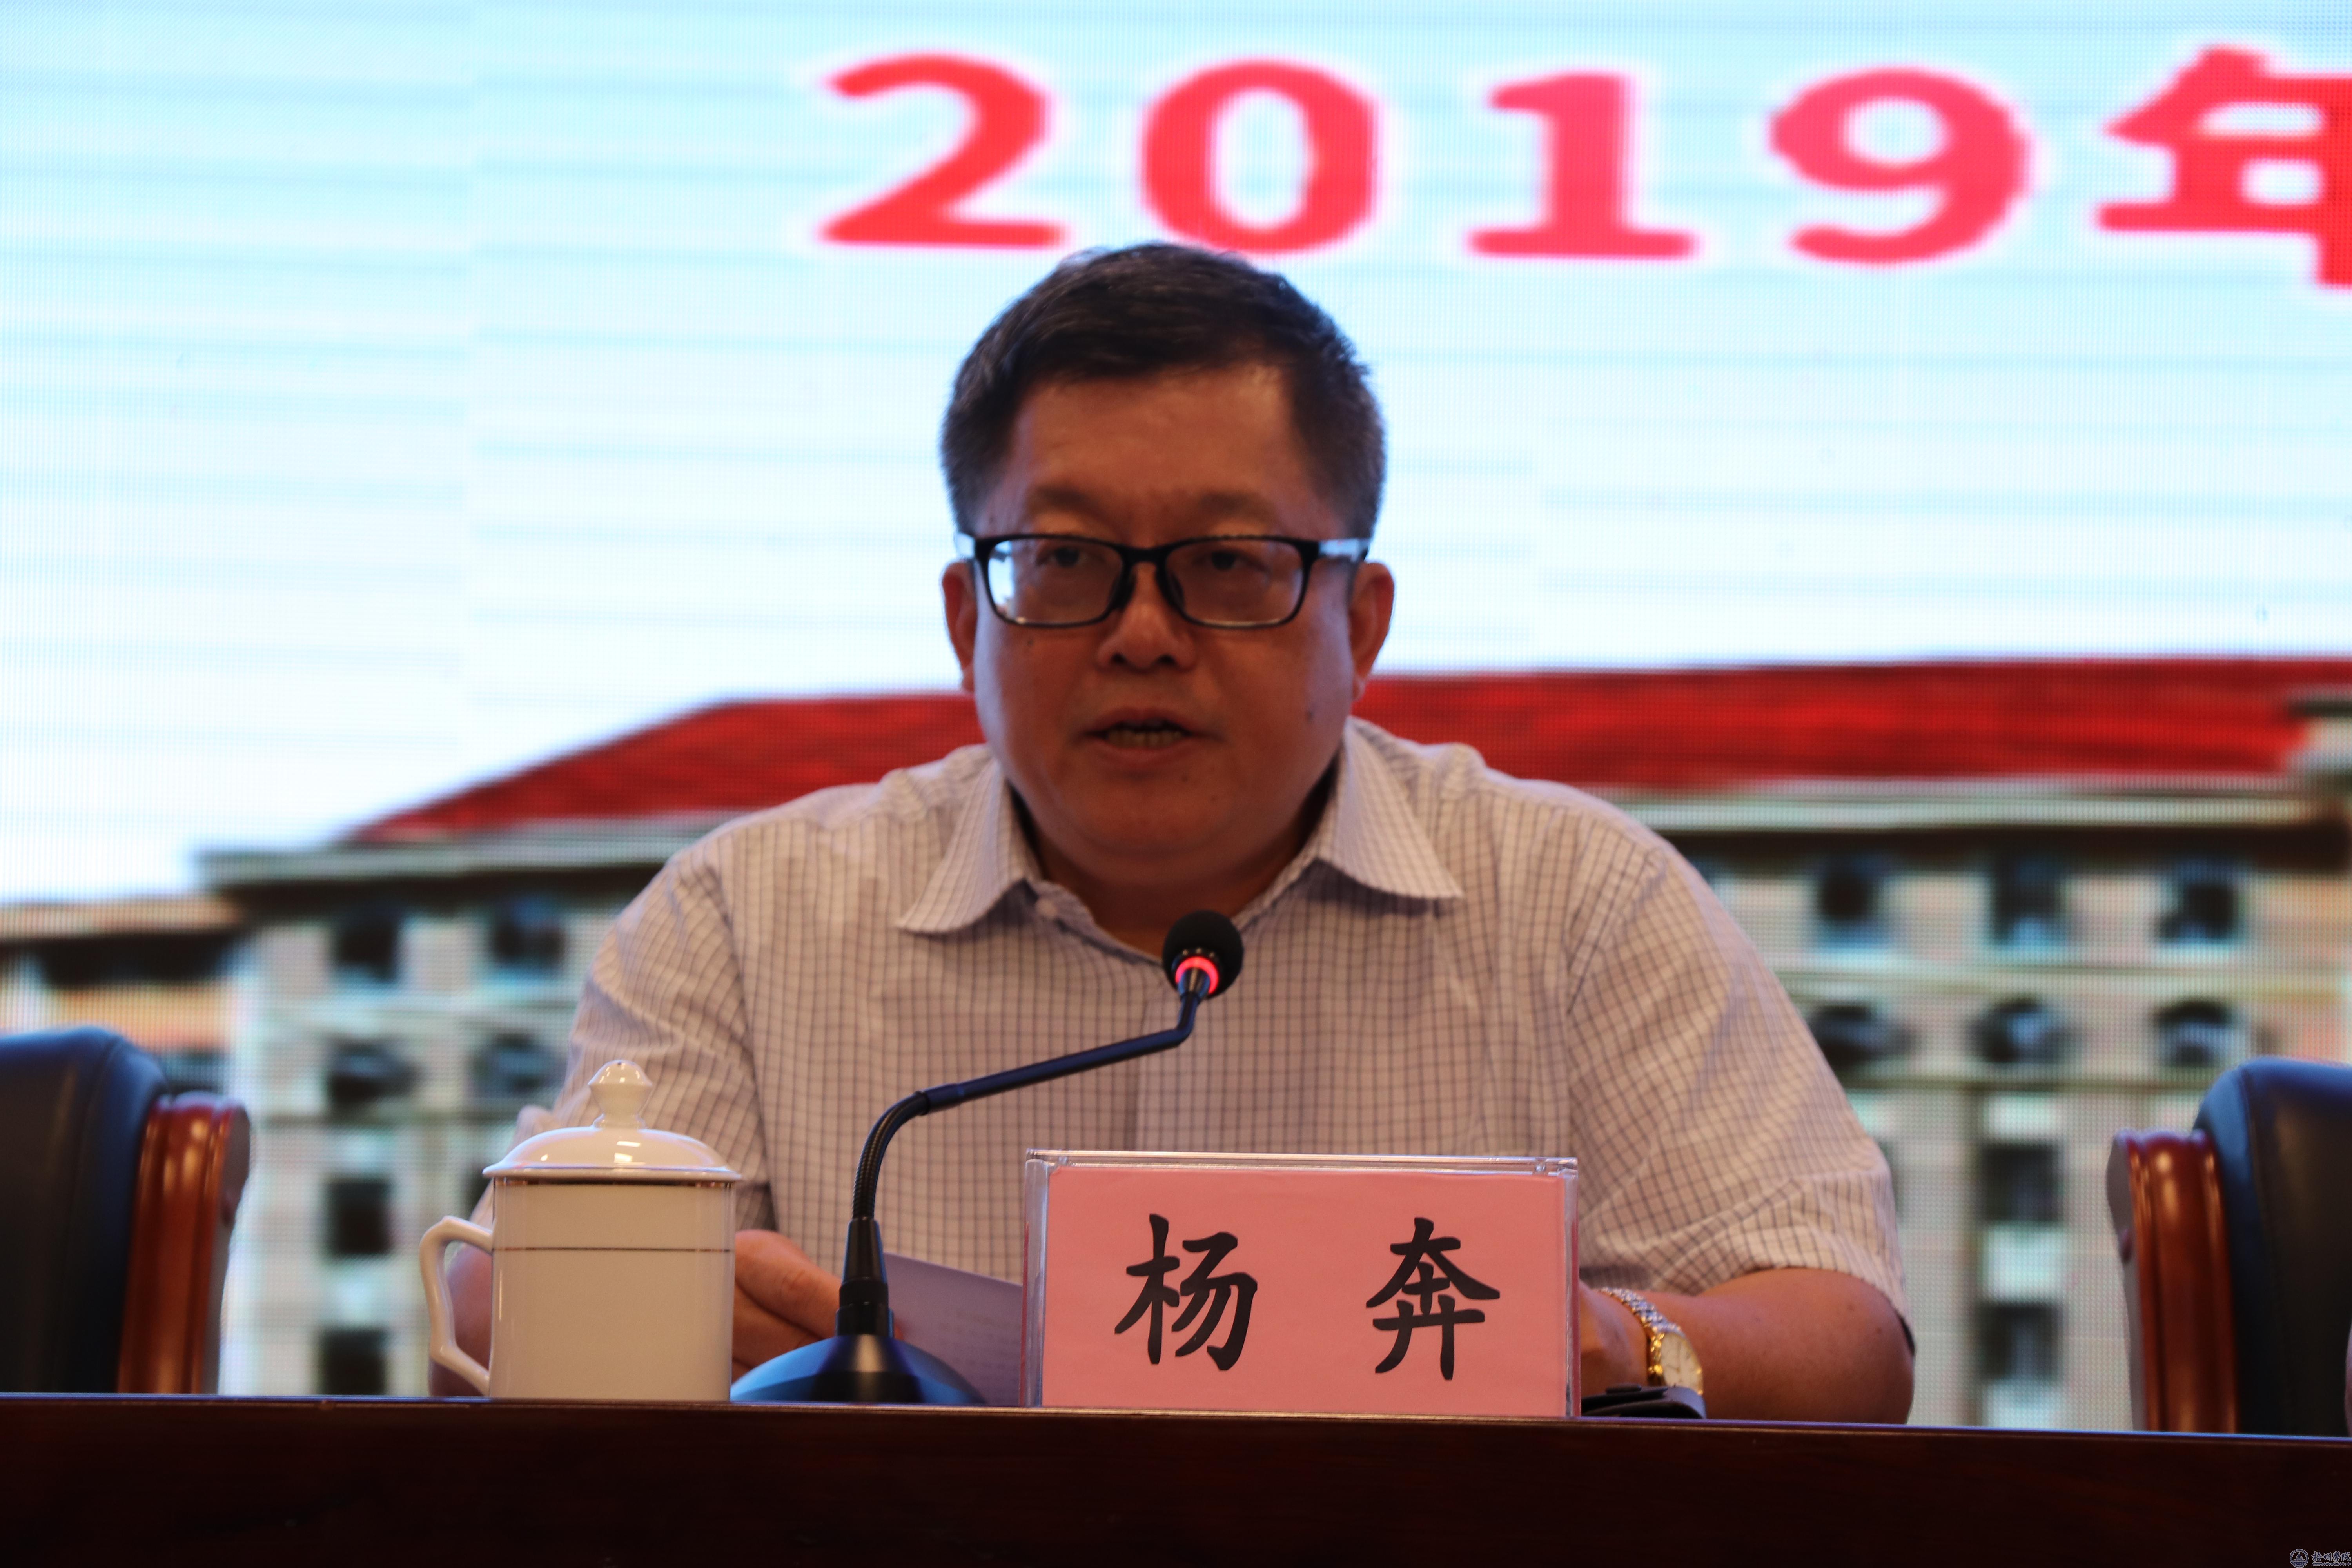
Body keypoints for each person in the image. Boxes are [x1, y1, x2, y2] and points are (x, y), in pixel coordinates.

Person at [440, 243, 1912, 1419]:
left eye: (1226, 563)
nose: (1142, 633)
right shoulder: (746, 911)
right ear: (967, 621)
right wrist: (663, 1315)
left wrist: (1614, 1341)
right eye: (1064, 559)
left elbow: (1843, 1343)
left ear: (1362, 623)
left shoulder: (1578, 898)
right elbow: (492, 1308)